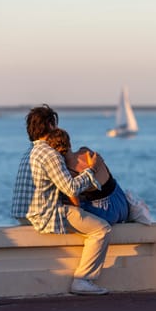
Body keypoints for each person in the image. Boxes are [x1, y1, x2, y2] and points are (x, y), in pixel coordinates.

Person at [11, 104, 112, 295]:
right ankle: (83, 279)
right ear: (50, 125)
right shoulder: (50, 154)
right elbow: (70, 188)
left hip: (23, 214)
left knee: (80, 214)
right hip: (45, 215)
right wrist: (91, 169)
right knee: (101, 229)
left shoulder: (29, 152)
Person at [46, 128, 129, 225]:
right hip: (121, 202)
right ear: (69, 143)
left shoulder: (68, 171)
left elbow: (76, 206)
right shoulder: (85, 151)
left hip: (107, 212)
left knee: (65, 205)